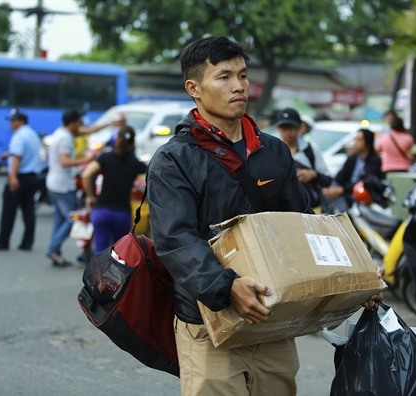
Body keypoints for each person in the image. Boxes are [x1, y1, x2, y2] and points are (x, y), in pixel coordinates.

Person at [146, 36, 383, 396]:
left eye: (242, 75)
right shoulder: (174, 159)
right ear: (194, 88)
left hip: (274, 320)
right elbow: (175, 240)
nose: (239, 86)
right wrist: (227, 288)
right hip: (210, 325)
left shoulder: (273, 150)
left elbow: (304, 224)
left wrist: (357, 276)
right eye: (224, 77)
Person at [81, 125, 147, 254]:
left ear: (116, 139)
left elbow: (86, 174)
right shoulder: (135, 164)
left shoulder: (105, 157)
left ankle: (98, 275)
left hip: (101, 212)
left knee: (100, 253)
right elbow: (152, 177)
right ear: (133, 143)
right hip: (122, 215)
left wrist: (90, 196)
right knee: (119, 254)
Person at [45, 109, 97, 267]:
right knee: (72, 219)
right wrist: (87, 159)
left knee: (59, 219)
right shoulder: (66, 138)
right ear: (74, 123)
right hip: (63, 185)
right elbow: (65, 161)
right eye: (80, 122)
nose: (81, 126)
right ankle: (53, 249)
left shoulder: (60, 133)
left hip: (54, 183)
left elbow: (86, 131)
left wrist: (108, 124)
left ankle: (55, 252)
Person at [0, 108, 41, 251]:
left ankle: (3, 242)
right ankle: (27, 243)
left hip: (20, 177)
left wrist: (12, 177)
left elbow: (17, 157)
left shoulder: (19, 136)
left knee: (9, 210)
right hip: (32, 177)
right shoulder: (32, 134)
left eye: (13, 120)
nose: (10, 123)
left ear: (21, 121)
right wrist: (8, 153)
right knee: (28, 210)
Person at [276, 108, 332, 211]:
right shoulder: (273, 151)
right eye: (284, 128)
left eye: (291, 127)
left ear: (299, 126)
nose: (288, 132)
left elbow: (327, 180)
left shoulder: (310, 149)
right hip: (282, 211)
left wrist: (314, 174)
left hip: (311, 209)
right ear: (277, 128)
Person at [322, 129, 384, 212]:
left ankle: (343, 217)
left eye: (359, 140)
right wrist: (331, 188)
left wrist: (342, 189)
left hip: (361, 194)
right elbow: (340, 176)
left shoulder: (374, 160)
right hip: (347, 190)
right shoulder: (353, 158)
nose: (355, 142)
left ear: (368, 143)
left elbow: (367, 182)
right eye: (355, 139)